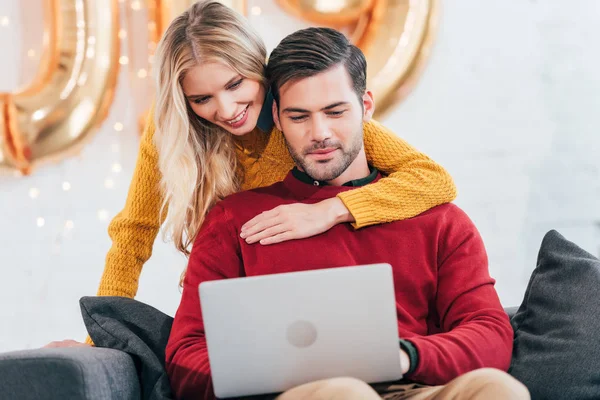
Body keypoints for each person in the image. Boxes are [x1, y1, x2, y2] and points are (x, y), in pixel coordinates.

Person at [46, 0, 456, 348]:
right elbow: (133, 233)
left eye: (235, 84)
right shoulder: (171, 129)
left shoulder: (302, 113)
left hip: (315, 291)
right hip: (236, 300)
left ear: (256, 67)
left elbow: (433, 178)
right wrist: (95, 345)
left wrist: (331, 210)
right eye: (202, 99)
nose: (225, 109)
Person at [165, 27, 529, 400]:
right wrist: (270, 372)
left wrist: (401, 356)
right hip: (298, 393)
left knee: (498, 389)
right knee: (345, 394)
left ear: (366, 106)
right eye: (299, 116)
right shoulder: (236, 220)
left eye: (335, 111)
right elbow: (186, 354)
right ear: (276, 116)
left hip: (410, 384)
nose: (319, 133)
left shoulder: (439, 220)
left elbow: (489, 332)